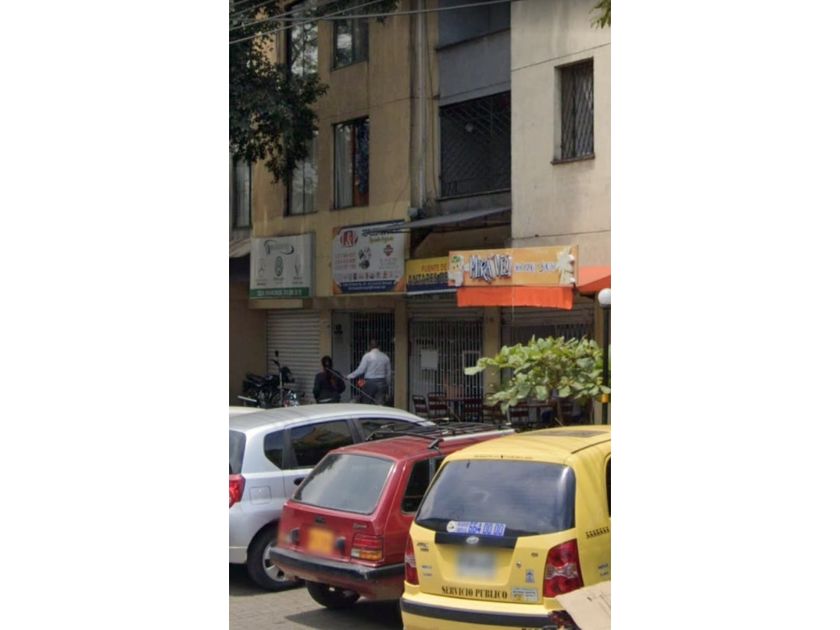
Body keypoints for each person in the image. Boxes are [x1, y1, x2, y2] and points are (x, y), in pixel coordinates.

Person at [346, 339, 391, 405]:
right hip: (381, 383)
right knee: (380, 404)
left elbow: (361, 370)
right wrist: (387, 384)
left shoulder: (367, 356)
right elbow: (388, 374)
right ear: (379, 346)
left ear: (369, 346)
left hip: (369, 383)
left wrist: (348, 376)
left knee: (367, 404)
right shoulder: (385, 357)